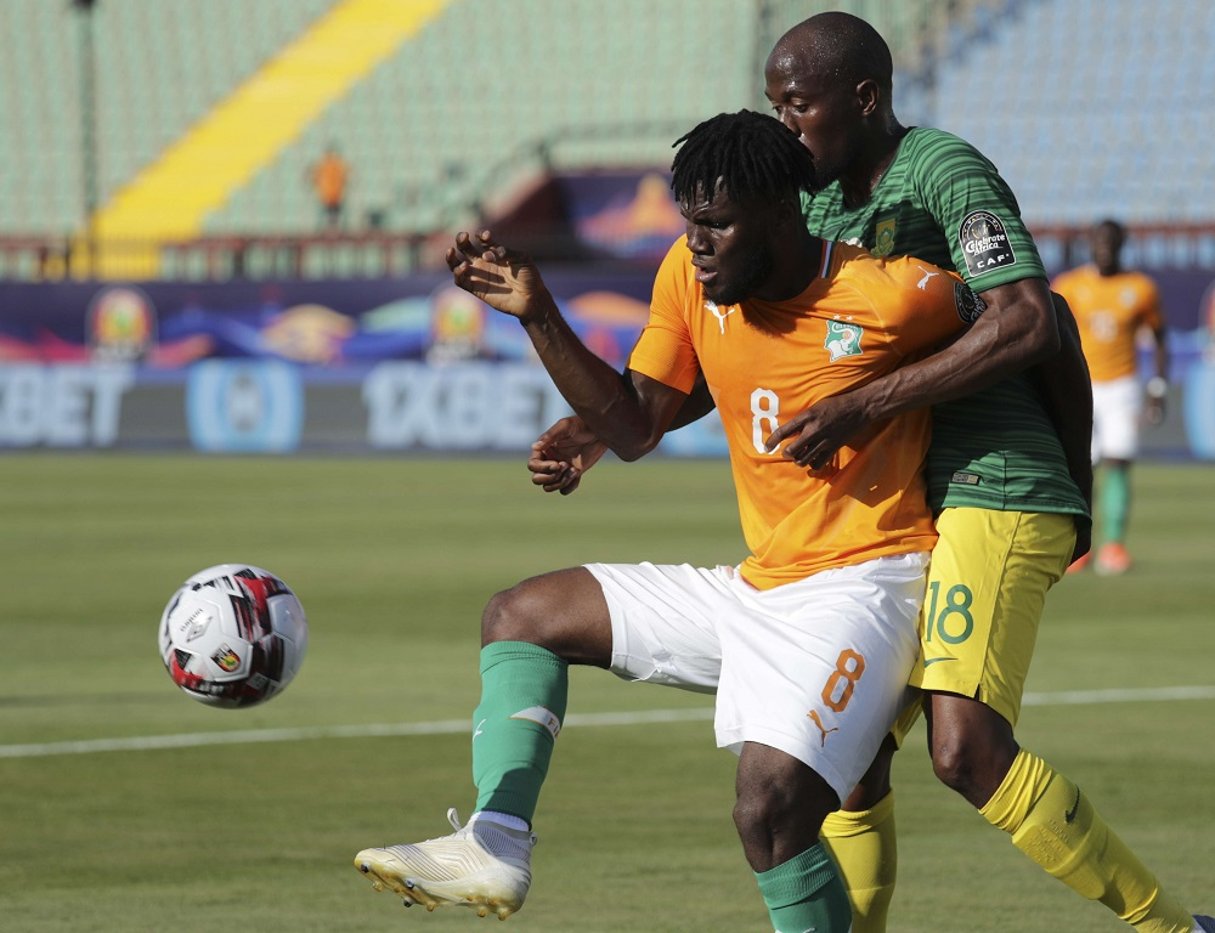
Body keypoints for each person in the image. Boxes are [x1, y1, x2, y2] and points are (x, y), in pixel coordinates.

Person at [527, 12, 1210, 933]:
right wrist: (609, 428)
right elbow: (764, 368)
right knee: (846, 759)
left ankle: (1172, 926)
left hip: (993, 477)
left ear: (864, 99)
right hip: (904, 497)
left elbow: (1028, 319)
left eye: (797, 104)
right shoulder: (808, 205)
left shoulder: (939, 172)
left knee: (965, 747)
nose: (785, 122)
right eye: (774, 103)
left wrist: (886, 414)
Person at [353, 110, 986, 931]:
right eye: (690, 223)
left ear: (779, 212)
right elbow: (633, 424)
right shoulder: (687, 279)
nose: (696, 243)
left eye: (716, 224)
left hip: (866, 586)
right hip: (758, 587)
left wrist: (1038, 491)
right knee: (522, 615)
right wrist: (538, 311)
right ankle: (495, 840)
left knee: (769, 806)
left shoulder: (890, 292)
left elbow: (1023, 325)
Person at [1052, 219, 1169, 576]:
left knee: (1119, 461)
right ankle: (1080, 547)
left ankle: (1114, 546)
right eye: (1099, 243)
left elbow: (1160, 339)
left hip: (1123, 387)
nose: (1104, 249)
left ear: (1121, 245)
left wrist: (1158, 387)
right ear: (1091, 245)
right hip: (1081, 385)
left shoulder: (1141, 288)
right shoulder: (1070, 286)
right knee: (1082, 466)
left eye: (1111, 243)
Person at [308, 144, 349, 231]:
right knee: (331, 214)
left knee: (332, 214)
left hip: (333, 195)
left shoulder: (335, 164)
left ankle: (329, 229)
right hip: (330, 195)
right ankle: (330, 229)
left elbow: (345, 178)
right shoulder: (327, 164)